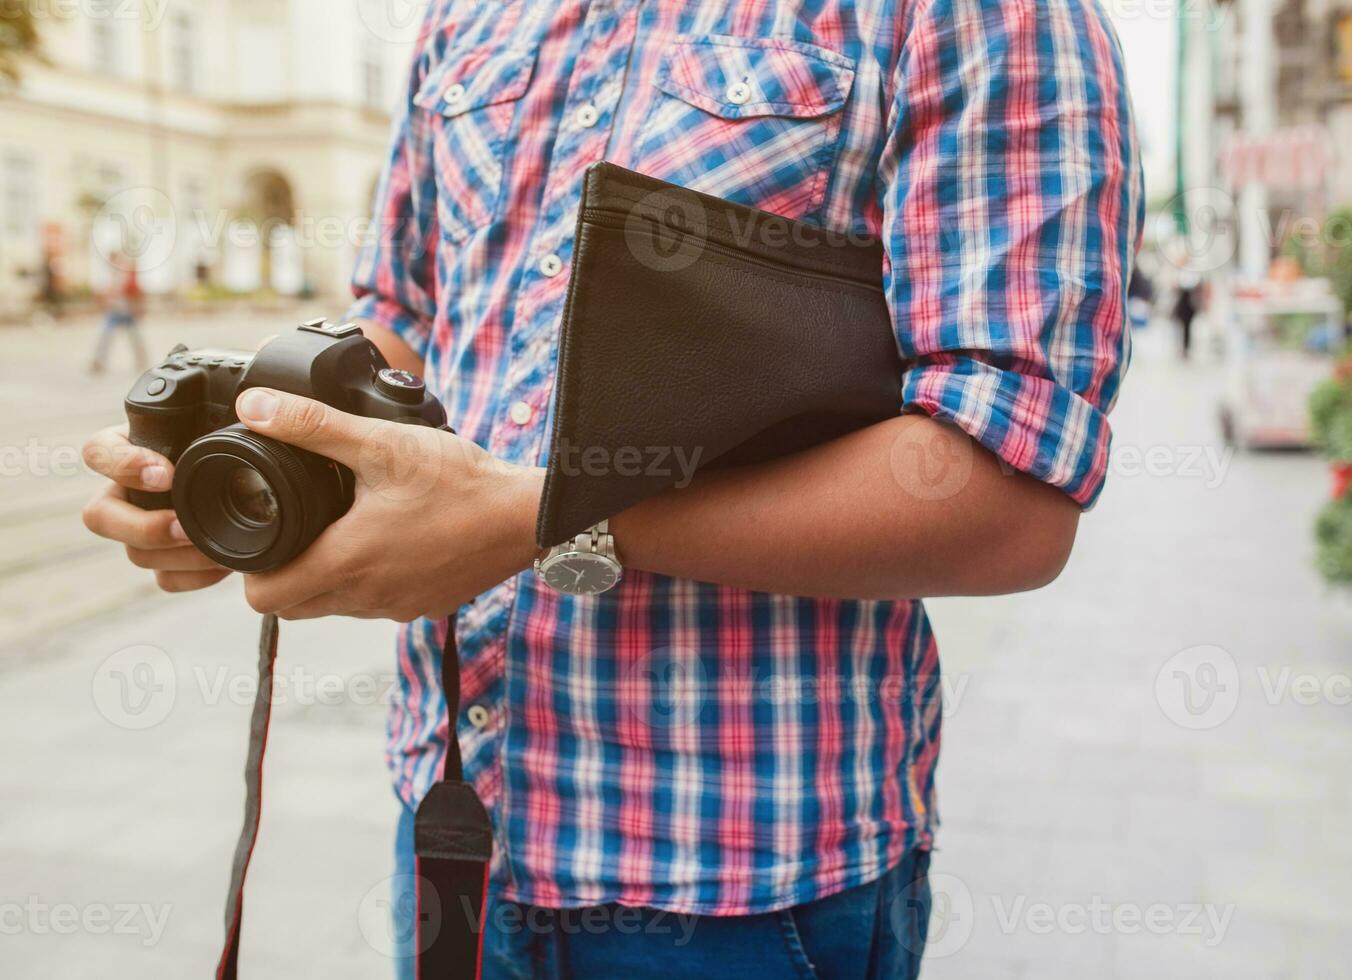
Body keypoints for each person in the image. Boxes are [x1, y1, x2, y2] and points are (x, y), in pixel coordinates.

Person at [79, 0, 1142, 975]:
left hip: (743, 882)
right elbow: (406, 317)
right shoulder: (469, 13)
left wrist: (532, 519)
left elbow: (1009, 492)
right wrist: (255, 463)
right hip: (457, 822)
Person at [89, 251, 147, 374]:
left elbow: (136, 292)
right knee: (106, 336)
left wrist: (138, 308)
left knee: (135, 337)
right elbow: (106, 295)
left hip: (127, 312)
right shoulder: (110, 276)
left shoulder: (127, 275)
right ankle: (99, 361)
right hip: (114, 311)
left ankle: (141, 360)